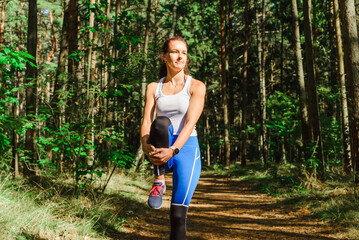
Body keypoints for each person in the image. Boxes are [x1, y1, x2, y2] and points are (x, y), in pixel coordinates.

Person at [140, 36, 206, 239]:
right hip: (161, 144)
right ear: (164, 56)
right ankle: (159, 180)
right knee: (161, 122)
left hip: (186, 149)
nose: (180, 57)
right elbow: (146, 122)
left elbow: (190, 123)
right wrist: (145, 146)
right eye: (175, 52)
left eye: (184, 53)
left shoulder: (196, 86)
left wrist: (174, 150)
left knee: (178, 215)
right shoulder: (154, 87)